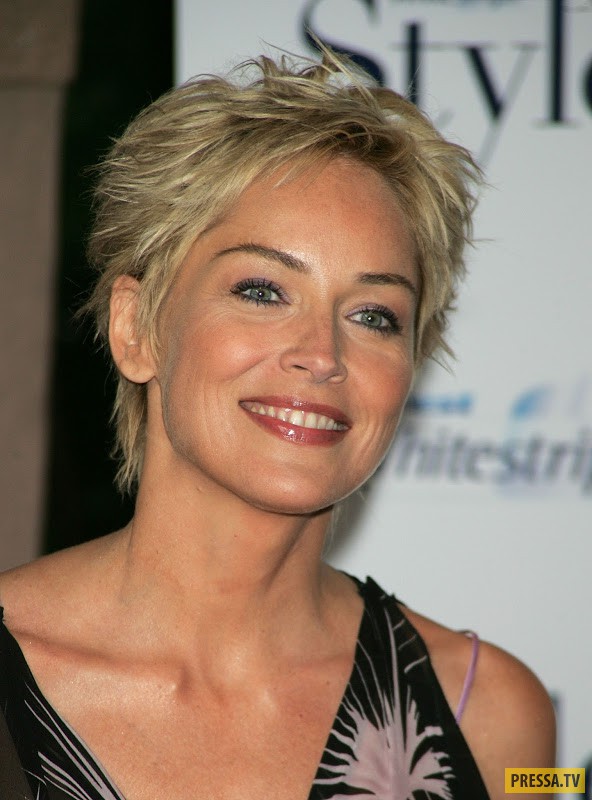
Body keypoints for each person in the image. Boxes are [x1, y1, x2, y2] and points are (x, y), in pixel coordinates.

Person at [0, 50, 554, 800]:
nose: (322, 355)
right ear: (137, 328)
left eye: (374, 315)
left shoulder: (496, 721)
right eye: (263, 290)